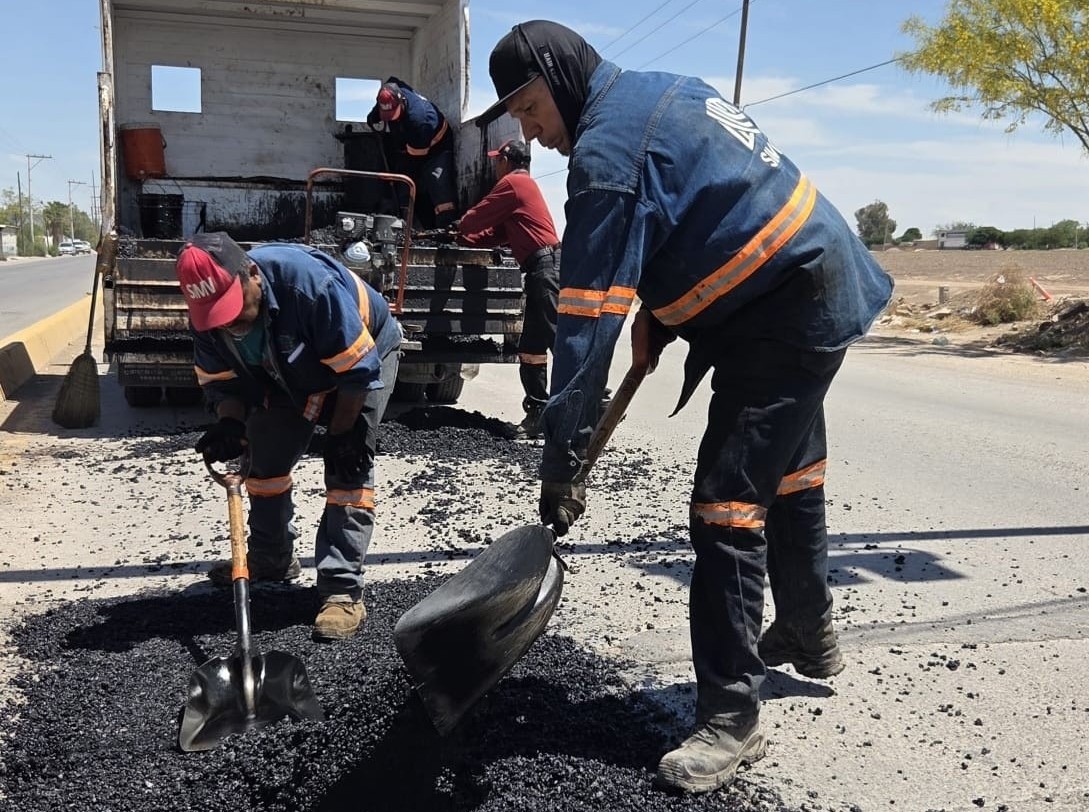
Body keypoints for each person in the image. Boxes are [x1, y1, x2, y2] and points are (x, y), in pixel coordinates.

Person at [479, 20, 894, 794]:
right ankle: (806, 629)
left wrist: (561, 462)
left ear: (561, 80)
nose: (531, 134)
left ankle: (730, 718)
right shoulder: (663, 91)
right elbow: (710, 207)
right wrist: (663, 309)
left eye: (531, 110)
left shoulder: (604, 158)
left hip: (781, 312)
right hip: (813, 276)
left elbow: (582, 329)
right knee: (790, 472)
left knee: (724, 509)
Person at [175, 232, 401, 642]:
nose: (228, 323)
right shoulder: (207, 319)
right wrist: (230, 423)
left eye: (233, 307)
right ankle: (272, 557)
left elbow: (357, 372)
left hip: (363, 356)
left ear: (252, 274)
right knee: (264, 458)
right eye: (216, 316)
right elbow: (223, 384)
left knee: (348, 467)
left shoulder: (309, 287)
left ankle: (341, 590)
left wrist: (342, 433)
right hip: (288, 371)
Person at [454, 139, 560, 438]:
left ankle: (594, 400)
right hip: (540, 270)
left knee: (559, 339)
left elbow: (477, 217)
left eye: (496, 160)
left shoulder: (514, 183)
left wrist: (459, 225)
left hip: (547, 269)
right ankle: (538, 413)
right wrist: (466, 239)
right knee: (531, 347)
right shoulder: (521, 188)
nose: (495, 166)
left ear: (505, 160)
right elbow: (497, 233)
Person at [367, 77, 459, 228]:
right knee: (405, 184)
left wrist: (402, 176)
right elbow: (384, 101)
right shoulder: (390, 90)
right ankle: (404, 224)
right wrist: (373, 115)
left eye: (393, 114)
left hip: (436, 148)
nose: (390, 119)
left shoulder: (420, 119)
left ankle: (446, 230)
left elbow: (415, 158)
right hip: (412, 143)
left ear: (402, 102)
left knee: (439, 188)